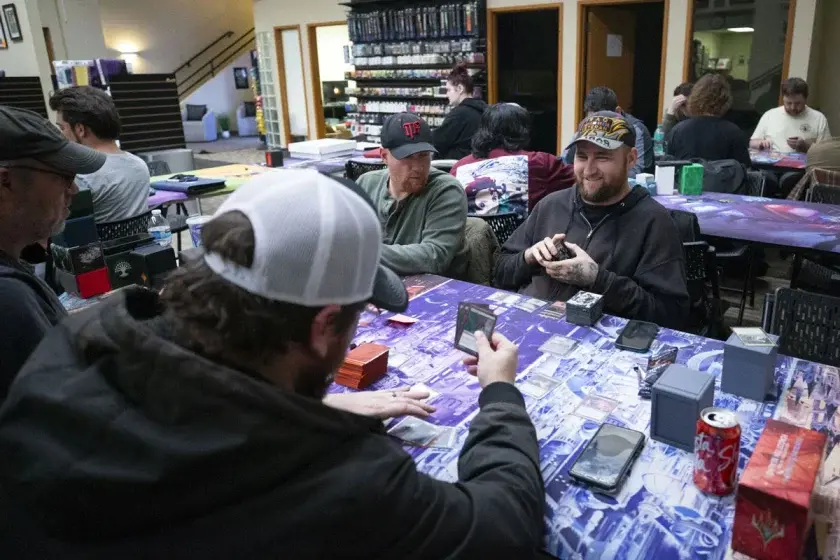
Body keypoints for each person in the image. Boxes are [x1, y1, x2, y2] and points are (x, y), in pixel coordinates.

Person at [0, 170, 545, 558]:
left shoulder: (73, 345)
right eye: (356, 317)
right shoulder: (346, 481)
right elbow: (502, 525)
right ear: (324, 327)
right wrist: (500, 395)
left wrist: (309, 408)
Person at [495, 112, 689, 329]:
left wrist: (597, 279)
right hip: (528, 328)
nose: (589, 170)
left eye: (602, 157)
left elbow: (671, 315)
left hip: (598, 345)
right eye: (582, 156)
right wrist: (528, 257)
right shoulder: (551, 205)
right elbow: (500, 271)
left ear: (631, 158)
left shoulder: (654, 222)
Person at [0, 106, 106, 400]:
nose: (73, 189)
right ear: (4, 182)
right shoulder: (9, 297)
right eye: (62, 175)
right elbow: (71, 413)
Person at [358, 113, 469, 278]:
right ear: (384, 156)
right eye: (407, 157)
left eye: (423, 155)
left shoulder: (446, 190)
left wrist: (363, 253)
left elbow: (435, 255)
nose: (417, 166)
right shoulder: (366, 184)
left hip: (435, 291)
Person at [49, 85, 151, 224]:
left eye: (62, 128)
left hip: (94, 245)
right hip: (140, 244)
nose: (61, 135)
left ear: (80, 129)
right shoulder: (139, 164)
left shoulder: (80, 177)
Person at [450, 103, 575, 215]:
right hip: (526, 240)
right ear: (523, 131)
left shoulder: (459, 168)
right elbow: (580, 177)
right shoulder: (540, 162)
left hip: (472, 239)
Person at [562, 87, 653, 176]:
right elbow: (564, 161)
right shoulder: (587, 124)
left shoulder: (637, 129)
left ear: (618, 112)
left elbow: (638, 172)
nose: (596, 126)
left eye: (604, 120)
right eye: (593, 119)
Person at [666, 74, 750, 166]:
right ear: (725, 101)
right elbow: (744, 169)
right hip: (721, 180)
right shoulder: (734, 132)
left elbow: (667, 163)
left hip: (686, 179)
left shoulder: (678, 130)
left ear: (695, 97)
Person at [750, 77, 831, 153]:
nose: (793, 107)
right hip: (772, 166)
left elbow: (826, 151)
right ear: (783, 99)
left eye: (798, 103)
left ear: (806, 99)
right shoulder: (770, 115)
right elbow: (752, 142)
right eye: (788, 103)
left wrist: (805, 146)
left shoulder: (819, 118)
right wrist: (760, 143)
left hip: (805, 166)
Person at [432, 63, 488, 160]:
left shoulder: (459, 114)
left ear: (460, 89)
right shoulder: (485, 109)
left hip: (454, 167)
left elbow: (437, 141)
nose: (447, 94)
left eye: (448, 90)